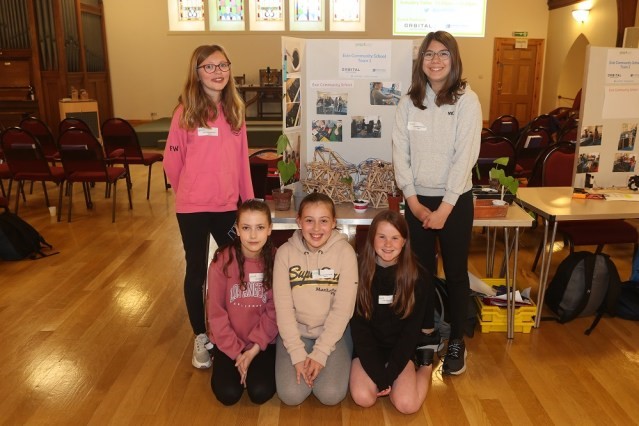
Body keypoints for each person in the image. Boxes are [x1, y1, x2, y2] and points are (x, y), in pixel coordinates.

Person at [392, 31, 482, 376]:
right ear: (421, 61)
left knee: (456, 273)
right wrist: (413, 202)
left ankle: (457, 338)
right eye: (429, 54)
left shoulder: (467, 101)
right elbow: (401, 154)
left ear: (453, 59)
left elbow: (465, 157)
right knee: (421, 273)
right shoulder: (408, 101)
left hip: (455, 200)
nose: (435, 60)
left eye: (443, 54)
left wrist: (445, 208)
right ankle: (426, 332)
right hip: (418, 201)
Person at [164, 44, 254, 369]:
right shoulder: (185, 112)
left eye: (223, 65)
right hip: (192, 208)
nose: (218, 72)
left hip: (227, 206)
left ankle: (235, 326)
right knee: (197, 271)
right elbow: (172, 163)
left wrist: (249, 202)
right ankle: (201, 336)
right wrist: (191, 190)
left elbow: (242, 161)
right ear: (197, 73)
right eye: (209, 67)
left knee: (237, 266)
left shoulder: (235, 112)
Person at [273, 192, 358, 406]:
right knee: (291, 395)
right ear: (299, 221)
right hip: (295, 333)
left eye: (324, 221)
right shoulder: (285, 254)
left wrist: (320, 353)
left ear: (334, 223)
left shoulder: (345, 253)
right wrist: (297, 353)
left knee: (330, 394)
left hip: (333, 333)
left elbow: (342, 310)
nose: (316, 229)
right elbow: (283, 309)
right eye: (309, 220)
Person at [349, 211, 434, 414]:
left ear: (404, 241)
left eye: (395, 237)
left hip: (400, 349)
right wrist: (379, 375)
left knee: (407, 405)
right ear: (371, 239)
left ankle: (426, 368)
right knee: (363, 398)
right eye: (382, 237)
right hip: (368, 349)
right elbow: (360, 331)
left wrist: (391, 373)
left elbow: (410, 333)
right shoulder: (357, 272)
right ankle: (383, 377)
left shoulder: (418, 277)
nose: (388, 244)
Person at [207, 199, 278, 405]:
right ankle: (221, 358)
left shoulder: (276, 259)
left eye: (260, 227)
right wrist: (238, 354)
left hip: (262, 343)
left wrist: (253, 350)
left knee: (260, 392)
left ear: (270, 229)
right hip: (230, 343)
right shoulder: (222, 261)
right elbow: (215, 313)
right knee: (228, 394)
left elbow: (275, 311)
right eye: (246, 228)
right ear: (237, 229)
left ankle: (253, 364)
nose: (253, 235)